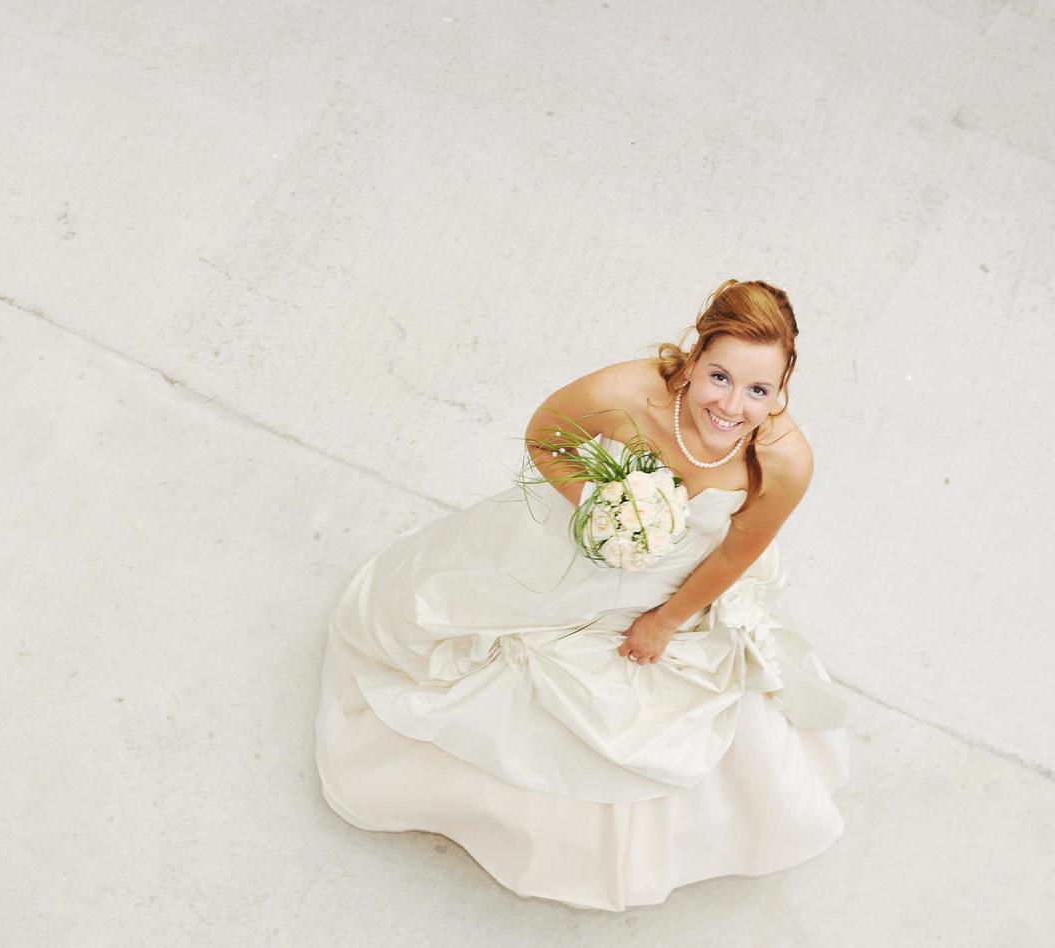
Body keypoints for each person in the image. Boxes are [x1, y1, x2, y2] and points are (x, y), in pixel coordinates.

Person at [313, 278, 850, 911]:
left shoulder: (786, 461)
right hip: (579, 551)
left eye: (759, 390)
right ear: (694, 359)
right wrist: (602, 508)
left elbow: (739, 549)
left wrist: (666, 621)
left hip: (682, 583)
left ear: (782, 386)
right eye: (720, 377)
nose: (731, 406)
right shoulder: (625, 394)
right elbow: (546, 437)